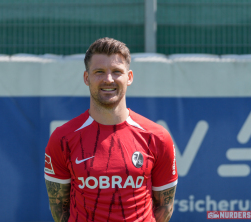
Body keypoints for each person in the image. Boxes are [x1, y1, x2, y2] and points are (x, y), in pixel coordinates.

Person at [44, 37, 178, 222]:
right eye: (99, 72)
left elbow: (165, 207)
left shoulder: (157, 137)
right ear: (86, 77)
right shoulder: (62, 138)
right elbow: (59, 208)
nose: (108, 79)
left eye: (116, 72)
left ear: (129, 77)